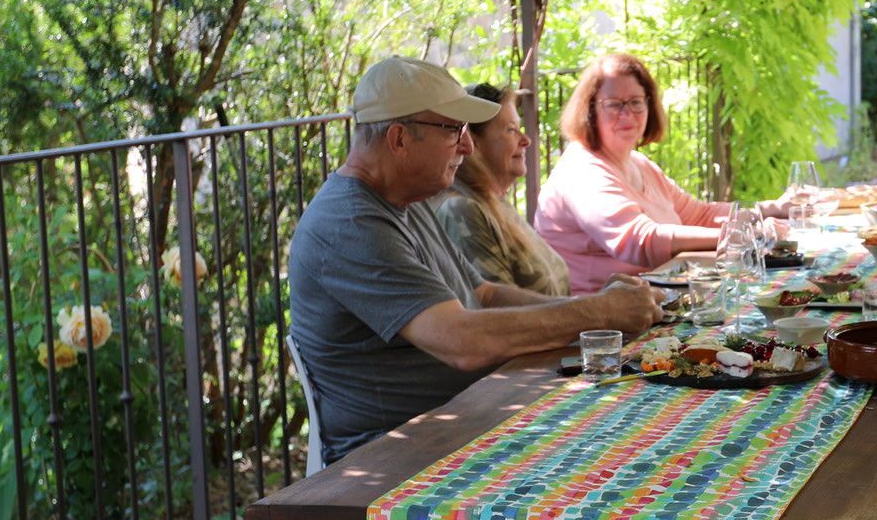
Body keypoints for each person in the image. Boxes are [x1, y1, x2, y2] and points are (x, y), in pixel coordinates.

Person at [289, 55, 663, 463]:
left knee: (639, 425)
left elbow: (482, 294)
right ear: (398, 139)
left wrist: (592, 311)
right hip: (399, 455)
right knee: (619, 451)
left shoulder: (405, 200)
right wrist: (598, 314)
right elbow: (462, 341)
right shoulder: (350, 223)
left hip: (463, 420)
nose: (468, 146)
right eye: (454, 130)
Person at [534, 53, 791, 293]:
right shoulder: (582, 171)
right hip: (602, 326)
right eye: (614, 104)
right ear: (590, 110)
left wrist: (774, 209)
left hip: (654, 304)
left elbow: (700, 215)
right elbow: (639, 240)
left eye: (636, 102)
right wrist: (742, 237)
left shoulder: (637, 163)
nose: (627, 114)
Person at [434, 82, 571, 297]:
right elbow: (498, 310)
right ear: (473, 143)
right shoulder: (462, 209)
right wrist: (593, 308)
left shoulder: (492, 200)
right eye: (511, 130)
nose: (525, 141)